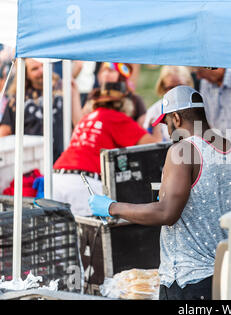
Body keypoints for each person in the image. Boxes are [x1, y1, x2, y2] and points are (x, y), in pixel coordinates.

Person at [88, 86, 231, 300]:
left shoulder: (181, 150)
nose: (167, 131)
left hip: (187, 282)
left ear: (176, 118)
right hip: (227, 277)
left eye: (166, 122)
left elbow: (166, 213)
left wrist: (112, 207)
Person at [52, 77, 158, 216]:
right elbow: (154, 144)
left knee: (62, 235)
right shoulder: (116, 118)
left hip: (57, 179)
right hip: (83, 183)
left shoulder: (88, 117)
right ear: (124, 103)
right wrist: (156, 125)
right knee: (88, 235)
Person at [0, 58, 83, 161]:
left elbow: (79, 125)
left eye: (43, 65)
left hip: (62, 161)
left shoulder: (64, 88)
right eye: (35, 69)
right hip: (31, 165)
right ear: (27, 74)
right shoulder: (17, 99)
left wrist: (74, 95)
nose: (41, 70)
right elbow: (4, 134)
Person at [82, 62, 147, 127]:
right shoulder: (95, 96)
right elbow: (82, 122)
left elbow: (142, 127)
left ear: (121, 76)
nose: (106, 74)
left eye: (111, 71)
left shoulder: (135, 100)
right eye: (104, 70)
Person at [143, 66, 194, 142]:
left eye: (180, 86)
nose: (175, 92)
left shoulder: (197, 106)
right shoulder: (154, 111)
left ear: (188, 85)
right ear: (163, 87)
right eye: (171, 88)